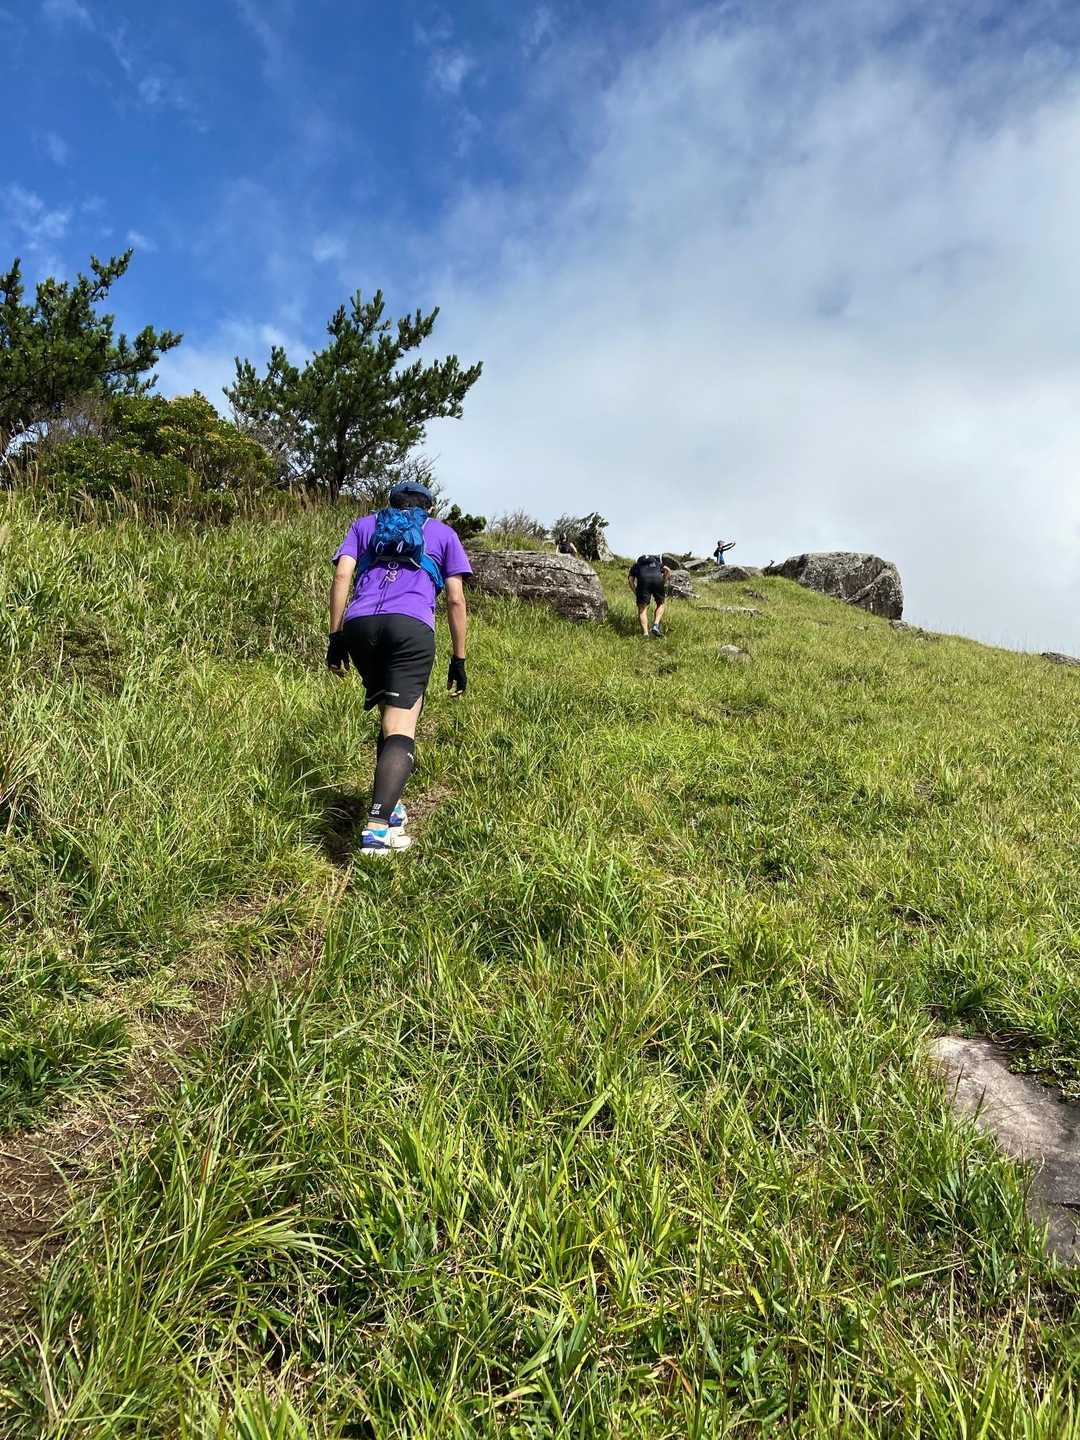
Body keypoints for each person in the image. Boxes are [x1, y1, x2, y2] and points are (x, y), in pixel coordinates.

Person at [327, 478, 471, 857]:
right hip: (410, 627)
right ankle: (377, 831)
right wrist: (458, 658)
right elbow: (456, 599)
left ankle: (390, 810)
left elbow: (342, 575)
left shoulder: (364, 525)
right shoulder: (442, 533)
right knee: (403, 726)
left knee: (389, 718)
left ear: (390, 503)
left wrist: (335, 636)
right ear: (429, 508)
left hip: (360, 625)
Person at [628, 553, 671, 637]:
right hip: (657, 580)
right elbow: (668, 570)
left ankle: (645, 634)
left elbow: (630, 580)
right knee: (661, 603)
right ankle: (655, 625)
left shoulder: (636, 565)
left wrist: (636, 592)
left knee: (642, 609)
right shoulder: (656, 563)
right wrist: (663, 581)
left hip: (643, 582)